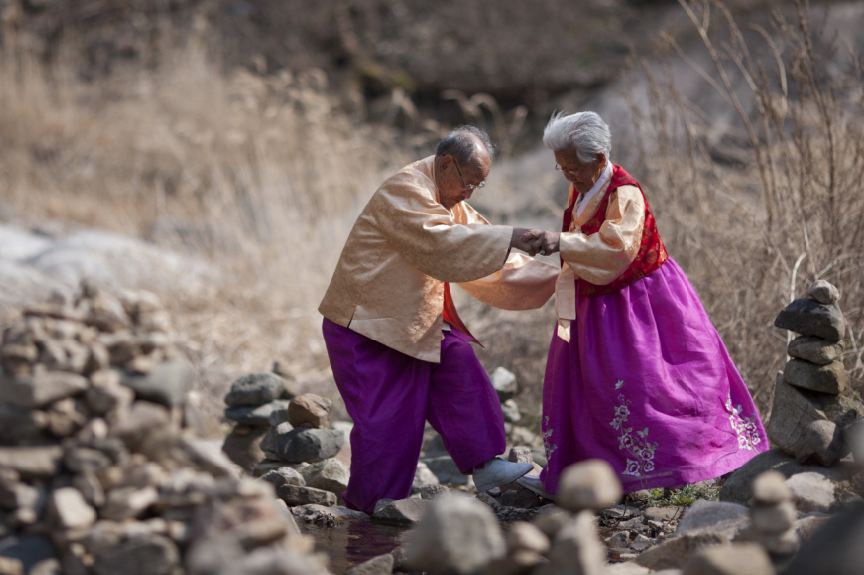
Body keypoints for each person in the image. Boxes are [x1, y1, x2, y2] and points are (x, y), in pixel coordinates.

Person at [519, 111, 769, 498]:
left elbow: (617, 246)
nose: (565, 174)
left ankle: (686, 462)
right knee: (596, 388)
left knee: (654, 383)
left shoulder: (625, 192)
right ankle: (606, 471)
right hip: (595, 301)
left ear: (599, 159)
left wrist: (562, 242)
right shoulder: (583, 185)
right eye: (561, 166)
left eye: (571, 167)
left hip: (641, 302)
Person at [319, 126, 559, 513]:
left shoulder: (449, 197)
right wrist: (510, 235)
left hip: (411, 324)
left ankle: (486, 464)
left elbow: (485, 251)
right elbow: (443, 245)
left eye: (477, 187)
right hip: (365, 328)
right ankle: (371, 516)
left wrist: (557, 278)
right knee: (388, 427)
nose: (470, 193)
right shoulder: (406, 189)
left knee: (458, 359)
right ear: (447, 164)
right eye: (470, 183)